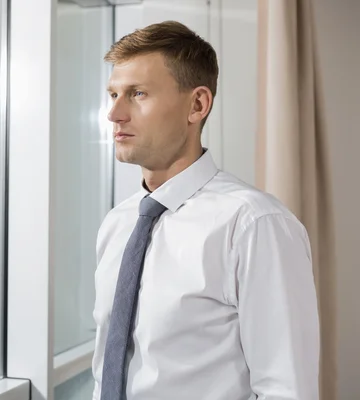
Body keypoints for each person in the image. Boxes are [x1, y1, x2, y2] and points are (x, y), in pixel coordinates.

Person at [92, 21, 319, 400]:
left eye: (138, 93)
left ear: (197, 105)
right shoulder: (117, 225)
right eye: (113, 94)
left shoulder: (254, 225)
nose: (115, 114)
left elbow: (287, 390)